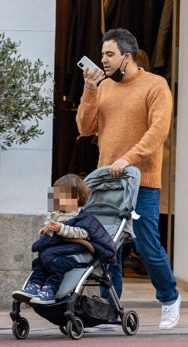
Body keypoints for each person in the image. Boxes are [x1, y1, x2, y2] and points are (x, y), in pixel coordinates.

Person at [76, 28, 181, 330]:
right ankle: (110, 309)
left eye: (109, 54)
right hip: (107, 182)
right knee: (109, 247)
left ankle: (170, 297)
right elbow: (84, 127)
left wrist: (129, 158)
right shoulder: (103, 86)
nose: (102, 60)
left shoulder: (155, 85)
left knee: (147, 244)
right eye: (102, 55)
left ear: (127, 56)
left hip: (141, 181)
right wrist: (90, 89)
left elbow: (158, 132)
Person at [12, 174, 115, 305]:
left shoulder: (84, 218)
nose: (57, 201)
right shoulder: (55, 215)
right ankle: (35, 286)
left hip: (76, 255)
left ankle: (50, 289)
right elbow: (45, 234)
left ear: (76, 198)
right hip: (59, 251)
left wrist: (61, 229)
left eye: (61, 197)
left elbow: (83, 233)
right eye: (55, 197)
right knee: (39, 262)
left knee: (57, 263)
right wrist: (46, 230)